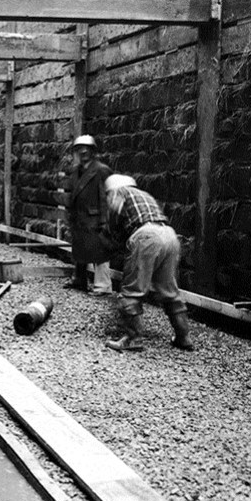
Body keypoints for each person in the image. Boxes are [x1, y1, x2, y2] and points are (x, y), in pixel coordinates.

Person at [102, 174, 194, 353]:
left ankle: (133, 338)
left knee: (133, 290)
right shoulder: (145, 195)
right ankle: (183, 337)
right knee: (169, 292)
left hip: (146, 236)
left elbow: (114, 220)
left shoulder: (118, 193)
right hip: (169, 234)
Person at [57, 135, 113, 295]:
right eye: (79, 149)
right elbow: (73, 194)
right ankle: (79, 280)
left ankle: (103, 286)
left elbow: (105, 198)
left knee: (100, 252)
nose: (83, 152)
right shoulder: (75, 171)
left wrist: (105, 222)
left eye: (86, 149)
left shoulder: (101, 170)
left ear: (93, 151)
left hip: (95, 218)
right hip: (80, 217)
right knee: (80, 249)